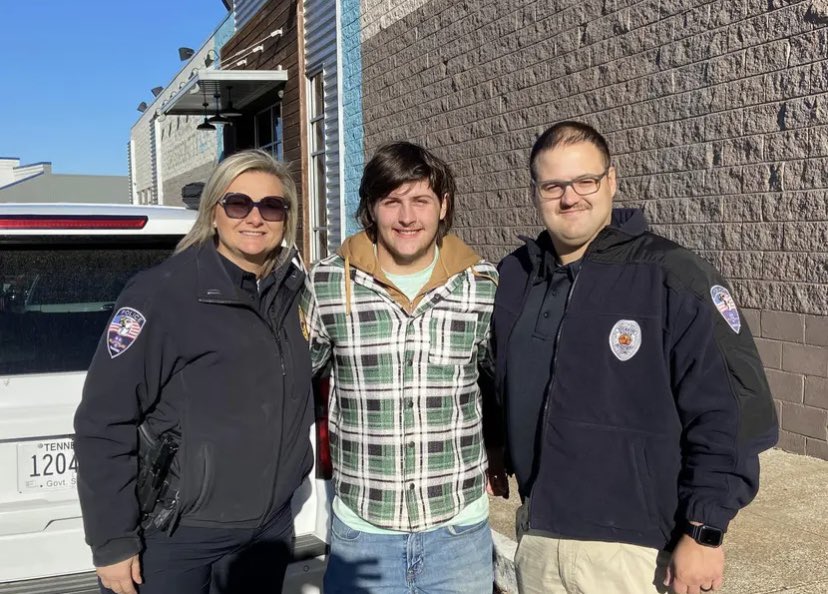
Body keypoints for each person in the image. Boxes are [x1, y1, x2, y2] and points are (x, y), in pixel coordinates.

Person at [491, 121, 778, 594]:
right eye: (553, 185)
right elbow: (494, 371)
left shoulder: (670, 276)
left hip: (635, 554)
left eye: (586, 181)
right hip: (540, 538)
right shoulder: (516, 278)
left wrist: (705, 531)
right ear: (535, 192)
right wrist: (494, 439)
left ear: (611, 181)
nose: (570, 197)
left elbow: (731, 413)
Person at [73, 149, 314, 594]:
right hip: (179, 537)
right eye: (238, 203)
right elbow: (103, 421)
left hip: (266, 533)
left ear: (288, 217)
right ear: (214, 212)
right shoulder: (162, 294)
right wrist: (111, 542)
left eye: (271, 206)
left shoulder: (291, 293)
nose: (255, 218)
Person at [301, 141, 507, 593]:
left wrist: (500, 451)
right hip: (363, 531)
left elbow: (500, 386)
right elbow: (291, 381)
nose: (407, 217)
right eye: (392, 201)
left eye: (420, 201)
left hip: (457, 530)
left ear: (443, 205)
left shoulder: (482, 286)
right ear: (371, 208)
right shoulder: (327, 284)